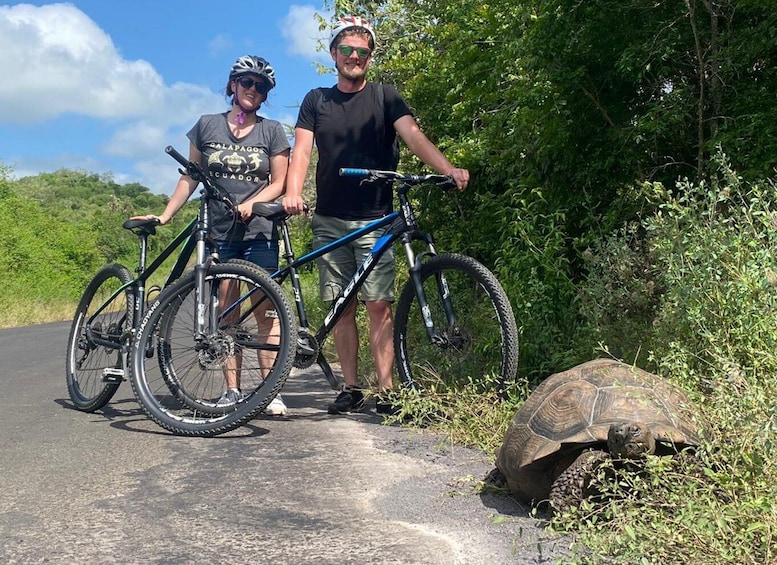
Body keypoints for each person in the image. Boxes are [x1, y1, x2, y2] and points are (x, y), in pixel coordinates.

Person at [282, 15, 469, 415]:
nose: (354, 57)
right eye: (347, 50)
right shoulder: (317, 99)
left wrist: (447, 169)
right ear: (334, 54)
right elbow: (301, 151)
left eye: (362, 52)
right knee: (342, 307)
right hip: (330, 217)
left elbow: (413, 134)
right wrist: (293, 192)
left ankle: (386, 391)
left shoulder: (386, 96)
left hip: (376, 217)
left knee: (378, 304)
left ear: (370, 57)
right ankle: (351, 387)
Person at [134, 55, 291, 415]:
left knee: (267, 311)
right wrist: (166, 214)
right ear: (233, 85)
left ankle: (271, 390)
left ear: (266, 94)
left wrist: (254, 202)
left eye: (261, 86)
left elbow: (279, 181)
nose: (253, 90)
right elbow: (190, 176)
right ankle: (233, 391)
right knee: (228, 309)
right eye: (247, 82)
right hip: (220, 229)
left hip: (259, 229)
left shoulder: (272, 131)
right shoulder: (206, 126)